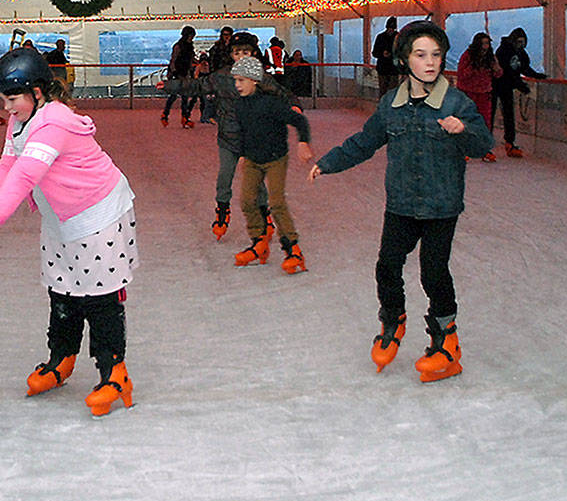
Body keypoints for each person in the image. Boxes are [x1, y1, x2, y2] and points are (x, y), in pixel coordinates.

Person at [310, 21, 492, 382]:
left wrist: (464, 131)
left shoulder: (456, 102)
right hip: (402, 203)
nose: (430, 63)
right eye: (420, 55)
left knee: (433, 272)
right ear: (405, 59)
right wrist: (328, 163)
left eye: (436, 55)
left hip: (441, 204)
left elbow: (483, 145)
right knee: (387, 266)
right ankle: (393, 321)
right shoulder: (391, 104)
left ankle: (446, 341)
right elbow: (365, 142)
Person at [0, 48, 138, 417]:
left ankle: (115, 372)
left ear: (37, 92)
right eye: (3, 99)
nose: (6, 107)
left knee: (98, 295)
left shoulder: (54, 122)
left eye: (12, 99)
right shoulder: (22, 120)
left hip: (97, 213)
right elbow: (8, 163)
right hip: (61, 216)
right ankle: (62, 359)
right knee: (62, 288)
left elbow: (26, 174)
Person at [161, 32, 293, 240]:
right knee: (225, 178)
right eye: (237, 52)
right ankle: (222, 212)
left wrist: (293, 106)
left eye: (246, 52)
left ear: (254, 54)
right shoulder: (222, 76)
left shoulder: (260, 77)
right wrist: (171, 85)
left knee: (255, 179)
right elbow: (197, 86)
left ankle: (264, 214)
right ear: (231, 54)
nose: (241, 56)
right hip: (228, 137)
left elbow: (280, 93)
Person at [228, 57, 313, 274]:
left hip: (275, 158)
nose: (237, 85)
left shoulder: (272, 103)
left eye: (241, 80)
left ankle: (293, 249)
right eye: (235, 80)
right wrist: (241, 155)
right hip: (253, 160)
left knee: (276, 203)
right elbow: (243, 132)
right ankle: (259, 242)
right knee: (247, 201)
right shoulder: (240, 105)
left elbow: (299, 121)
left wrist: (303, 143)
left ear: (254, 80)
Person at [492, 27, 547, 157]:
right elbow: (506, 72)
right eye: (518, 41)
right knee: (490, 113)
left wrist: (536, 75)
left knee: (509, 114)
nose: (521, 44)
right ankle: (485, 142)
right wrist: (520, 85)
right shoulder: (503, 50)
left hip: (508, 87)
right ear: (513, 40)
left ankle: (510, 142)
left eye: (523, 42)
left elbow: (524, 67)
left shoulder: (521, 53)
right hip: (496, 85)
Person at [455, 32, 502, 163]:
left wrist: (496, 68)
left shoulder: (490, 58)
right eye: (483, 44)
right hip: (468, 92)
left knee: (485, 122)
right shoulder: (468, 56)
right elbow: (462, 74)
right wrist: (475, 66)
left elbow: (498, 74)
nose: (485, 47)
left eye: (487, 43)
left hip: (484, 93)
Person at [160, 26, 198, 129]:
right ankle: (165, 115)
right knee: (173, 96)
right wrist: (174, 72)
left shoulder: (190, 47)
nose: (192, 38)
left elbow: (190, 60)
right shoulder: (178, 46)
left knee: (184, 97)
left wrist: (192, 68)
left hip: (185, 74)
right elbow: (173, 60)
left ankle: (184, 118)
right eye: (191, 36)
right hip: (177, 74)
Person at [372, 17, 400, 98]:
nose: (391, 30)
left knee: (392, 91)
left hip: (393, 70)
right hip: (384, 69)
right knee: (383, 90)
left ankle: (390, 107)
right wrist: (382, 54)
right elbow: (374, 53)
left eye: (392, 28)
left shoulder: (398, 37)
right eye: (389, 28)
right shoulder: (381, 37)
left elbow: (401, 52)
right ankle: (384, 107)